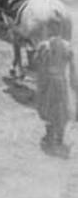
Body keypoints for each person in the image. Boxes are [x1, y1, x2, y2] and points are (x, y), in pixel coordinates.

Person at [33, 19, 74, 153]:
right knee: (61, 107)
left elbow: (35, 63)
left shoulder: (43, 45)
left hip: (47, 81)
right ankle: (60, 137)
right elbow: (72, 65)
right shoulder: (67, 46)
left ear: (48, 30)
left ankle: (50, 134)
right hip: (61, 81)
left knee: (48, 105)